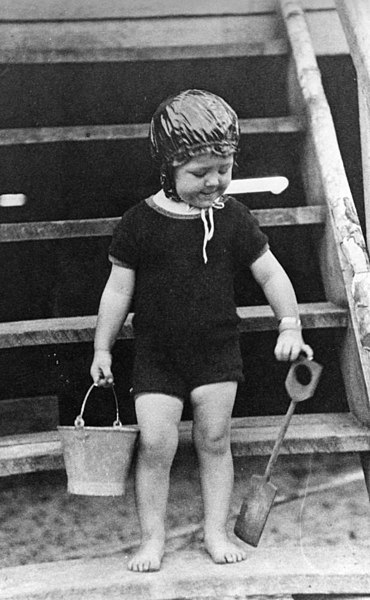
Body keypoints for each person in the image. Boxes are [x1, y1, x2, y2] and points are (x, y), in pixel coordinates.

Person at [90, 89, 313, 572]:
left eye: (224, 169)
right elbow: (117, 291)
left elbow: (270, 273)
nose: (215, 181)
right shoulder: (140, 222)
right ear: (168, 169)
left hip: (216, 351)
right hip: (156, 355)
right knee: (155, 443)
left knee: (214, 440)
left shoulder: (233, 218)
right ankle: (153, 539)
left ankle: (214, 531)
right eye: (199, 173)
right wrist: (102, 347)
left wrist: (289, 324)